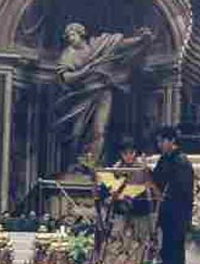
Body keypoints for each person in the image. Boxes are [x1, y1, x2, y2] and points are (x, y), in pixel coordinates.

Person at [55, 22, 153, 166]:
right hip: (81, 96)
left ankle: (92, 165)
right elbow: (66, 77)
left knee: (100, 130)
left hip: (103, 92)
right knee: (76, 133)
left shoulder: (98, 45)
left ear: (81, 34)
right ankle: (75, 165)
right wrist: (87, 70)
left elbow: (119, 45)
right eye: (68, 36)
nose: (70, 39)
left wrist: (140, 39)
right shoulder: (68, 54)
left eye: (72, 35)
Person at [100, 137, 155, 264]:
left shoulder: (143, 170)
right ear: (121, 154)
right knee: (116, 246)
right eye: (126, 153)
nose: (129, 156)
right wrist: (112, 197)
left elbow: (152, 192)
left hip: (139, 214)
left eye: (132, 153)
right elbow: (105, 193)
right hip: (120, 214)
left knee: (138, 247)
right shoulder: (114, 170)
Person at [152, 127, 194, 264]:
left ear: (171, 141)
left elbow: (181, 190)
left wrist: (164, 196)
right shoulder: (165, 159)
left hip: (177, 215)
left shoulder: (181, 161)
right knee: (167, 252)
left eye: (161, 141)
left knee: (175, 252)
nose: (159, 145)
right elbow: (156, 180)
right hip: (166, 214)